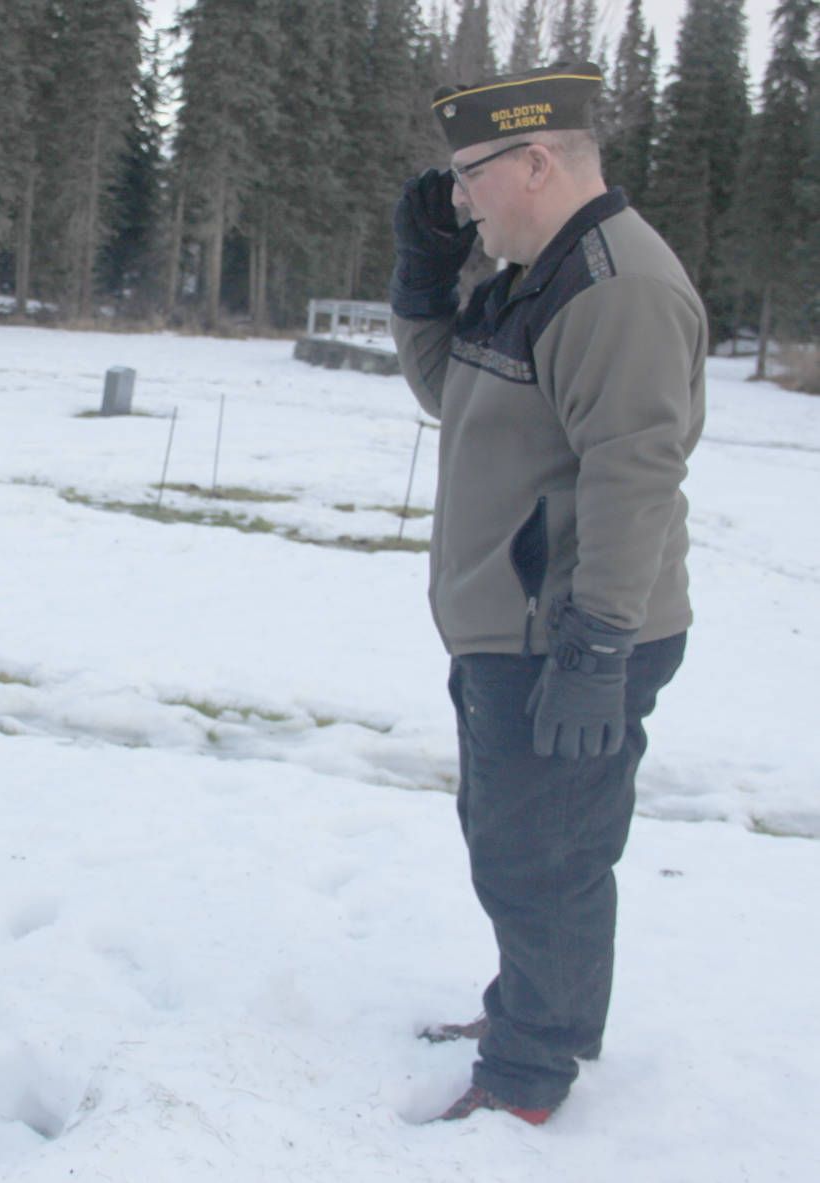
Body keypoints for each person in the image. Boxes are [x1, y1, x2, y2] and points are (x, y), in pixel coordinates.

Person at [388, 62, 707, 1124]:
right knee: (525, 840)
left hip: (565, 633)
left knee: (541, 855)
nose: (460, 198)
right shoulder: (534, 269)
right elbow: (458, 398)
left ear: (537, 160)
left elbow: (636, 472)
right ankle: (548, 1011)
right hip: (513, 624)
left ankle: (527, 1077)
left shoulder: (616, 287)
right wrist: (422, 289)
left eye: (470, 175)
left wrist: (594, 649)